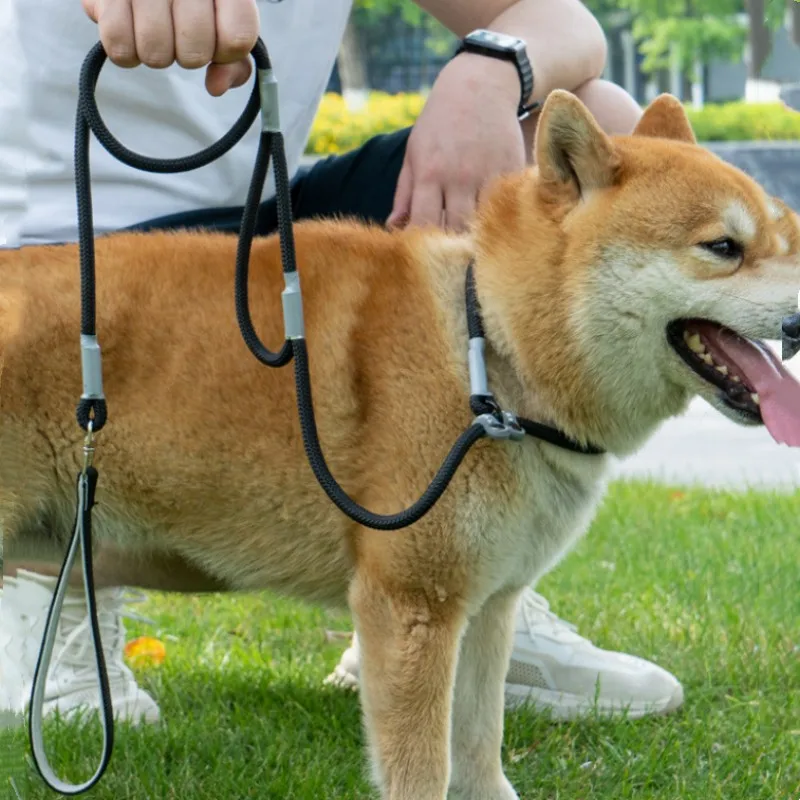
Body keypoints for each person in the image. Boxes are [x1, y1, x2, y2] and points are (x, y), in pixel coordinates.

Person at [0, 0, 683, 727]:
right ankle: (55, 599)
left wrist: (491, 68)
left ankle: (452, 582)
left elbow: (568, 26)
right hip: (55, 255)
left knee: (598, 134)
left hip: (259, 226)